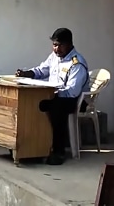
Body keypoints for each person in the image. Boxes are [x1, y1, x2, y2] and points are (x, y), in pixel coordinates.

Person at [16, 28, 89, 165]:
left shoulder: (76, 63)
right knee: (35, 104)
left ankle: (58, 152)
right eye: (54, 45)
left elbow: (71, 91)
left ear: (69, 44)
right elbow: (41, 71)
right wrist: (27, 74)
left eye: (60, 45)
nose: (56, 49)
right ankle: (34, 148)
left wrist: (50, 94)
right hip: (55, 95)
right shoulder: (54, 57)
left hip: (75, 100)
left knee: (56, 108)